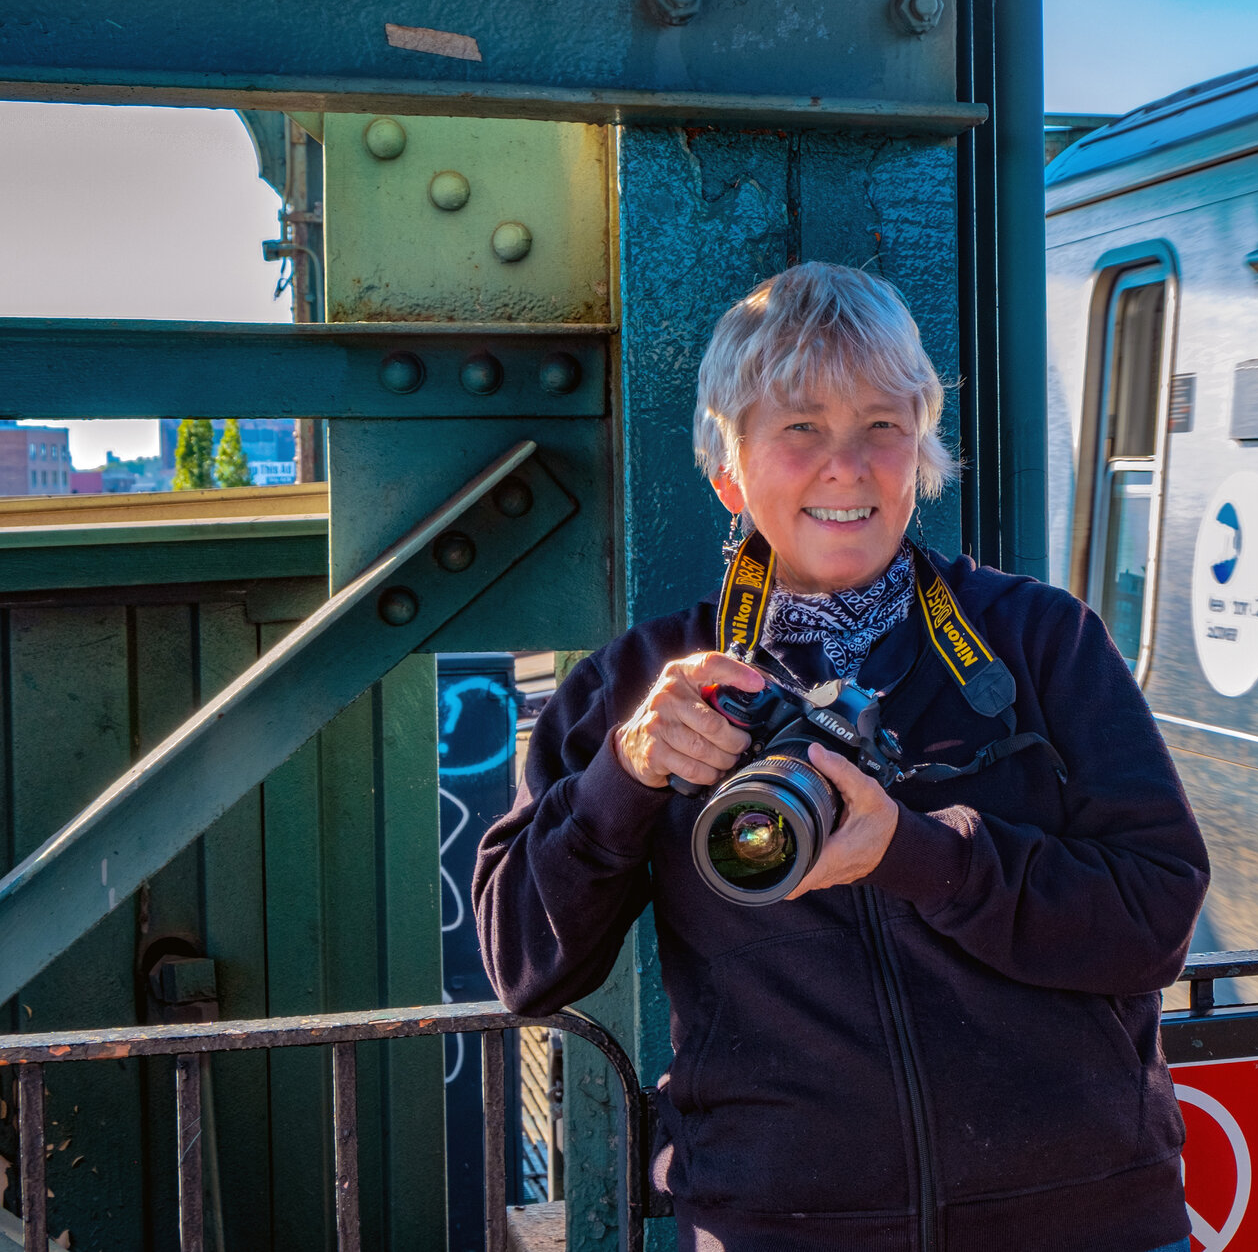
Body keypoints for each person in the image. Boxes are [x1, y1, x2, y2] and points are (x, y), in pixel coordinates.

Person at [474, 261, 1210, 1252]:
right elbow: (523, 963)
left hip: (1081, 1216)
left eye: (880, 425)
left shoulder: (1039, 641)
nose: (846, 465)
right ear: (728, 468)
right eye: (800, 428)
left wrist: (920, 856)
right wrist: (627, 773)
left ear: (920, 451)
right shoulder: (641, 686)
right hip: (782, 1227)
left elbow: (1157, 914)